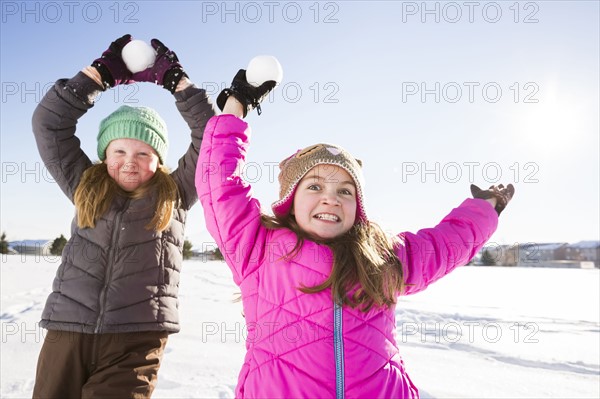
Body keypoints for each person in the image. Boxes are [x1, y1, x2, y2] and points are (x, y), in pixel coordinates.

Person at [195, 70, 515, 398]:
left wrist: (484, 209)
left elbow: (444, 244)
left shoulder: (382, 255)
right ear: (290, 201)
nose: (331, 198)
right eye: (315, 186)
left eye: (345, 191)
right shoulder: (258, 247)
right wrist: (236, 105)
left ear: (357, 206)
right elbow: (220, 186)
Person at [31, 34, 216, 398]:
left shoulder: (174, 194)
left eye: (143, 152)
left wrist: (179, 83)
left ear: (159, 160)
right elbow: (48, 125)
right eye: (119, 149)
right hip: (69, 329)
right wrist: (97, 76)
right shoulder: (86, 185)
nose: (129, 160)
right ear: (104, 153)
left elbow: (211, 138)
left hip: (137, 339)